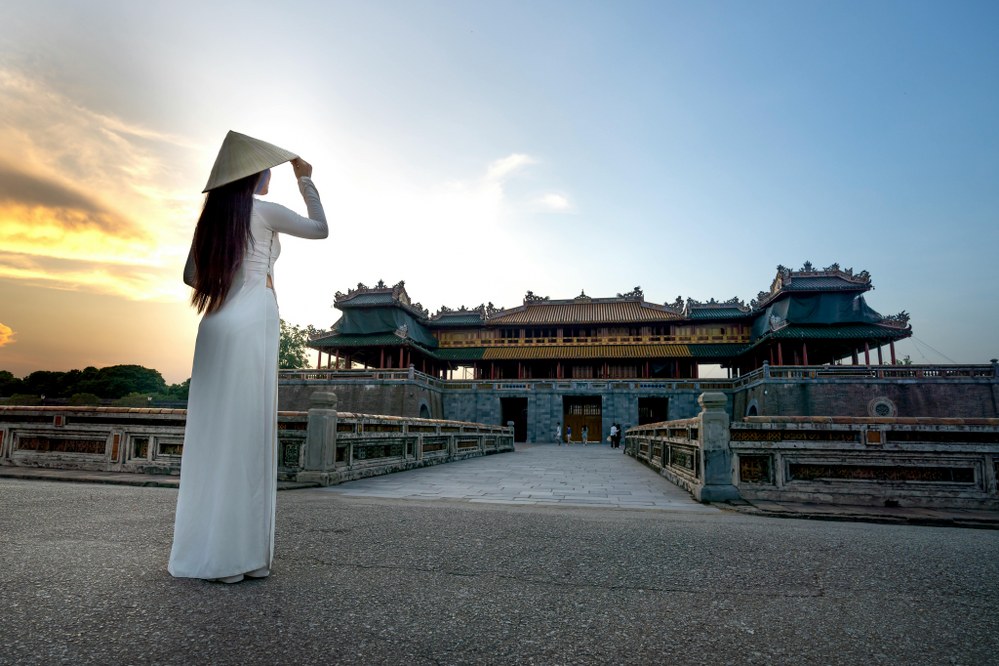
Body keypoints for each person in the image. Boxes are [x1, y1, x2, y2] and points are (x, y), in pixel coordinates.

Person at [169, 131, 328, 584]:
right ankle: (236, 556)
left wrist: (233, 279)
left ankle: (225, 554)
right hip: (253, 318)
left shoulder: (213, 219)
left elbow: (190, 277)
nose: (269, 176)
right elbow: (320, 229)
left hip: (217, 325)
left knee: (217, 434)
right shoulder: (264, 212)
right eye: (266, 170)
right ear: (251, 175)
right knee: (246, 432)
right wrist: (307, 180)